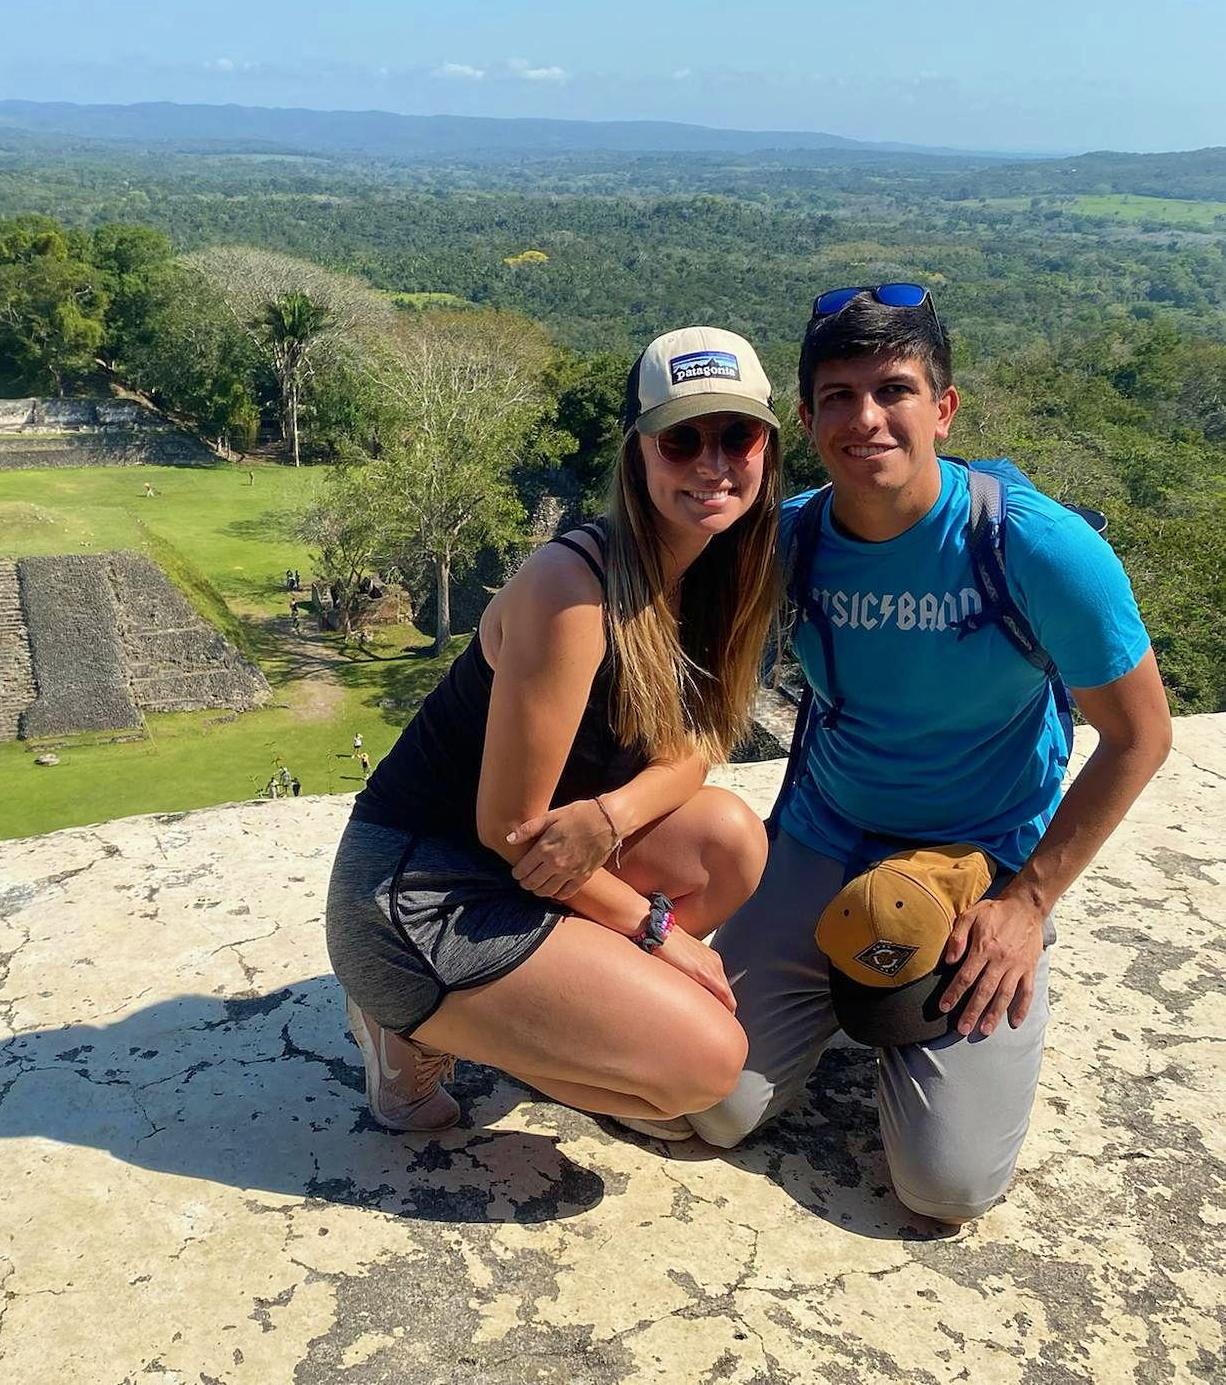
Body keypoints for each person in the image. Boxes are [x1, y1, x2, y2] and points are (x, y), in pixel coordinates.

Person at [686, 285, 1172, 1222]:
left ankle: (914, 1003)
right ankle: (859, 992)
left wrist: (1027, 904)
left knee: (946, 1187)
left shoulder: (1031, 546)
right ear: (807, 421)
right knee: (713, 1105)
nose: (866, 418)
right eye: (838, 395)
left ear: (943, 409)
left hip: (980, 861)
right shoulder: (791, 542)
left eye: (894, 390)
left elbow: (1141, 735)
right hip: (828, 834)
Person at [325, 326, 783, 1135]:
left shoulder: (715, 572)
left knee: (731, 841)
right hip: (420, 895)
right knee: (704, 1071)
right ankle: (412, 1027)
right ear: (637, 455)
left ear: (767, 449)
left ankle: (548, 1012)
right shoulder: (573, 589)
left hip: (533, 870)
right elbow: (509, 829)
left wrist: (610, 816)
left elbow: (696, 752)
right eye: (682, 440)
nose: (713, 464)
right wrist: (657, 932)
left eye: (736, 436)